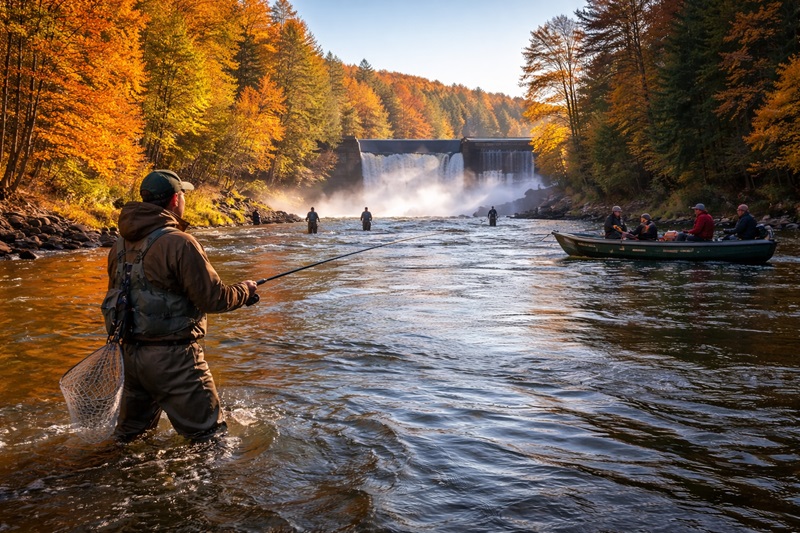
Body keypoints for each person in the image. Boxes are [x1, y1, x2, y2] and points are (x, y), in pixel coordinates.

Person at [105, 169, 258, 442]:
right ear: (175, 200)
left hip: (132, 356)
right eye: (183, 195)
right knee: (210, 440)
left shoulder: (119, 244)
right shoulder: (179, 242)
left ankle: (93, 480)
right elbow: (214, 299)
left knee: (130, 438)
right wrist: (245, 291)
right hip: (174, 359)